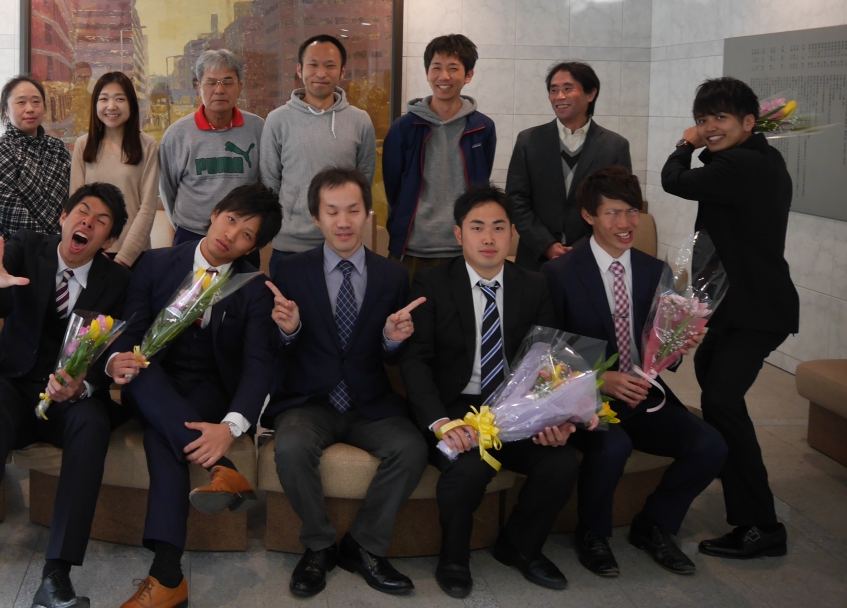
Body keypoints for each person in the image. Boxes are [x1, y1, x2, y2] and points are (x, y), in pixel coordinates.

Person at [0, 183, 132, 604]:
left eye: (101, 220)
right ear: (63, 217)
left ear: (108, 241)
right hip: (14, 382)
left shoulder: (119, 281)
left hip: (71, 396)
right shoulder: (26, 246)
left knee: (93, 426)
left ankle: (57, 574)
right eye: (82, 211)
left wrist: (84, 384)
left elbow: (117, 348)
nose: (88, 221)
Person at [542, 166, 727, 577]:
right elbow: (549, 350)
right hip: (587, 399)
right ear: (589, 215)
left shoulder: (653, 271)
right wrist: (598, 379)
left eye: (631, 211)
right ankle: (592, 533)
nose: (625, 223)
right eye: (612, 213)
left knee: (711, 445)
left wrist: (677, 345)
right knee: (614, 446)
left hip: (643, 394)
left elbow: (663, 348)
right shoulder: (559, 273)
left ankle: (654, 524)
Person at [103, 184, 282, 608]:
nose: (231, 234)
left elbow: (259, 366)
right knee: (142, 370)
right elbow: (131, 330)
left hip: (208, 392)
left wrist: (230, 427)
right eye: (231, 219)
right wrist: (114, 360)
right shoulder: (156, 263)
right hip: (151, 379)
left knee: (160, 438)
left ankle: (167, 577)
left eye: (246, 234)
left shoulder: (254, 287)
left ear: (252, 248)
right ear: (215, 213)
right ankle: (223, 470)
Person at [400, 185, 582, 598]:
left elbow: (550, 361)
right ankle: (453, 558)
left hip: (516, 407)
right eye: (477, 227)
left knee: (560, 465)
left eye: (499, 228)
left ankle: (519, 547)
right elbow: (415, 361)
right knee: (468, 471)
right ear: (458, 234)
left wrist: (556, 415)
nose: (488, 238)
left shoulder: (533, 285)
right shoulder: (431, 282)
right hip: (455, 408)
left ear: (512, 234)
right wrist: (440, 422)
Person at [265, 168, 428, 597]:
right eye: (332, 211)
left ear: (367, 215)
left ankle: (364, 546)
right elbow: (273, 349)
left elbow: (396, 354)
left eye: (353, 210)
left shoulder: (393, 276)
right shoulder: (290, 271)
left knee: (412, 448)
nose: (343, 222)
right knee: (291, 446)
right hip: (310, 401)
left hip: (369, 402)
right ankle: (319, 545)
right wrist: (288, 331)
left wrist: (393, 340)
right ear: (316, 218)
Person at [661, 77, 800, 560]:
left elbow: (674, 180)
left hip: (756, 309)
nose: (708, 128)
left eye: (719, 118)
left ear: (749, 122)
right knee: (711, 377)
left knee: (721, 399)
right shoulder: (763, 159)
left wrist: (685, 143)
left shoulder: (739, 164)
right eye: (702, 120)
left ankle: (761, 524)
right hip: (740, 304)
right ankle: (729, 466)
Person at [383, 35, 496, 276]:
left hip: (464, 248)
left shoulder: (482, 127)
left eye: (453, 68)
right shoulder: (404, 127)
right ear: (427, 73)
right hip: (412, 248)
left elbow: (480, 181)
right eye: (436, 68)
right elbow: (393, 188)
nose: (444, 76)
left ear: (468, 75)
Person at [260, 34, 376, 268]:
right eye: (313, 65)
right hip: (290, 245)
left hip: (342, 243)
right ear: (299, 69)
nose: (321, 73)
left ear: (342, 71)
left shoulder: (360, 120)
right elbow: (270, 181)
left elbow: (364, 180)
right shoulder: (278, 120)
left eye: (330, 66)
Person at [506, 61, 631, 269]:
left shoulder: (615, 146)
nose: (559, 97)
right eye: (554, 90)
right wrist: (546, 244)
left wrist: (580, 248)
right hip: (535, 260)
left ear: (591, 94)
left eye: (567, 89)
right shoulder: (528, 141)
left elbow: (619, 206)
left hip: (592, 258)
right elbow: (515, 199)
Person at [158, 50, 264, 261]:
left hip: (240, 239)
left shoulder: (258, 128)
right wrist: (181, 225)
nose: (219, 90)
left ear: (240, 86)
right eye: (211, 82)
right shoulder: (177, 134)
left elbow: (266, 183)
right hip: (191, 236)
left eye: (227, 82)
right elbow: (168, 189)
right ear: (199, 87)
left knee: (244, 284)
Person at [70, 71, 160, 267]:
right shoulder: (83, 145)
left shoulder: (147, 145)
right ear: (95, 104)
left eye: (120, 99)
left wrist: (123, 259)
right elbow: (76, 206)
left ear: (131, 104)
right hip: (90, 254)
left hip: (135, 255)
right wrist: (90, 251)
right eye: (104, 99)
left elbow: (147, 208)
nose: (111, 106)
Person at [0, 75, 72, 244]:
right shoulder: (1, 149)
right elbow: (11, 213)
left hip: (56, 247)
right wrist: (50, 244)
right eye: (21, 102)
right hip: (6, 248)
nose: (30, 109)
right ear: (6, 110)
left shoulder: (57, 147)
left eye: (36, 102)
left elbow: (70, 199)